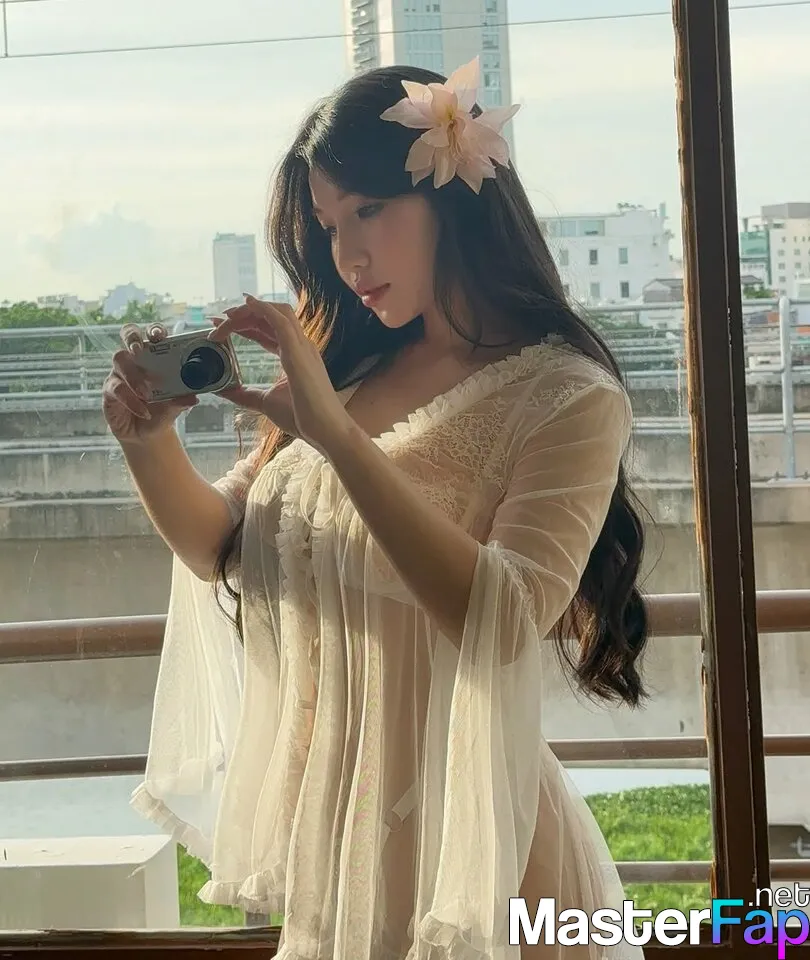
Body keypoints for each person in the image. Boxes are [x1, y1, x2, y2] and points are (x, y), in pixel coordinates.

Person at [104, 57, 649, 960]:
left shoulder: (568, 396)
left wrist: (336, 437)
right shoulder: (351, 369)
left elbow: (508, 617)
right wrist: (147, 440)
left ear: (453, 197)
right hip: (341, 853)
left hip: (482, 860)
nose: (346, 255)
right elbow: (220, 545)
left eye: (369, 211)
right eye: (328, 226)